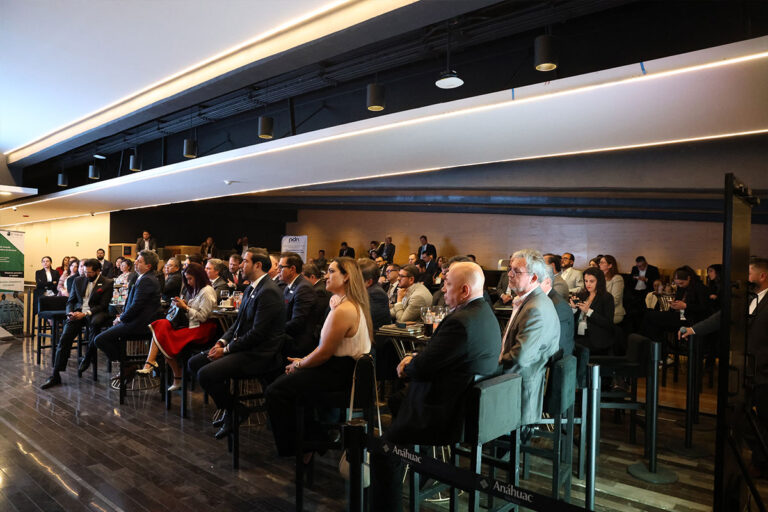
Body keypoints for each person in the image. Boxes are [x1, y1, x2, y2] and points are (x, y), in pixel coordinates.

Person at [370, 262, 500, 510]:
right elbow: (436, 357)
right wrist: (416, 360)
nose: (443, 288)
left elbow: (423, 367)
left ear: (464, 290)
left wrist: (407, 365)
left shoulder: (460, 321)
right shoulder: (483, 312)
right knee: (398, 401)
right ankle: (417, 459)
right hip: (462, 402)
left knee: (382, 452)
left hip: (444, 412)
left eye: (447, 284)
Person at [265, 257, 372, 459]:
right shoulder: (342, 304)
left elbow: (324, 352)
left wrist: (300, 364)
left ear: (346, 276)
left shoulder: (345, 309)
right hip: (337, 367)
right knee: (284, 383)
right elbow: (325, 348)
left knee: (276, 391)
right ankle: (313, 440)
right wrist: (303, 360)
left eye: (332, 271)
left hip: (342, 374)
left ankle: (305, 445)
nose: (326, 275)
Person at [188, 248, 286, 439]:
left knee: (206, 373)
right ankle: (234, 409)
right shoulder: (251, 287)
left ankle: (232, 410)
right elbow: (239, 324)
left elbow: (258, 334)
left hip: (259, 354)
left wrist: (226, 350)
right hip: (243, 347)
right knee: (194, 363)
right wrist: (221, 341)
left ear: (257, 265)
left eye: (245, 261)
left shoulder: (269, 292)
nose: (241, 265)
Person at [499, 249, 560, 427]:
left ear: (534, 278)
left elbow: (520, 358)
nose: (509, 274)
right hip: (517, 377)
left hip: (520, 386)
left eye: (516, 271)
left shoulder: (535, 308)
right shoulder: (530, 301)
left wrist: (491, 363)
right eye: (510, 269)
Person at [138, 262, 218, 390]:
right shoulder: (199, 290)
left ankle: (169, 372)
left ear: (198, 277)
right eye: (187, 279)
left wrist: (185, 307)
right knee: (161, 324)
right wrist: (185, 305)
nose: (189, 282)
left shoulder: (207, 291)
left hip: (203, 329)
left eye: (190, 279)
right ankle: (153, 364)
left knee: (162, 336)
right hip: (194, 325)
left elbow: (202, 317)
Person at [81, 250, 162, 375]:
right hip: (134, 320)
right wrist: (121, 316)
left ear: (148, 266)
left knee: (100, 340)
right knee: (104, 337)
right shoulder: (142, 277)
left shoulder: (148, 280)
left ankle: (127, 364)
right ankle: (127, 364)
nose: (135, 262)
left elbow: (136, 306)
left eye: (139, 261)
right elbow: (132, 303)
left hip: (139, 324)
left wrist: (121, 318)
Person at [40, 259, 114, 389]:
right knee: (64, 339)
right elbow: (71, 301)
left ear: (98, 271)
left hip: (95, 313)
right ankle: (55, 375)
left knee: (95, 324)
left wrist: (86, 314)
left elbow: (103, 305)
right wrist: (70, 313)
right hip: (77, 313)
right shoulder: (78, 280)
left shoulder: (107, 283)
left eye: (90, 272)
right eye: (85, 272)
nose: (86, 275)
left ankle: (89, 355)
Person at [279, 252, 320, 358]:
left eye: (281, 267)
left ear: (292, 269)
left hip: (297, 344)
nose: (278, 270)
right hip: (288, 337)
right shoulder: (290, 285)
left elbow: (297, 323)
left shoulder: (303, 288)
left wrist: (274, 329)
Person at [570, 267, 615, 354]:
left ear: (599, 281)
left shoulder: (606, 297)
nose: (588, 284)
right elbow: (574, 318)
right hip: (579, 335)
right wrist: (573, 308)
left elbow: (608, 323)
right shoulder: (582, 295)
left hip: (597, 338)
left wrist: (589, 312)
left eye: (591, 281)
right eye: (586, 281)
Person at [539, 264, 574, 356]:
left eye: (534, 280)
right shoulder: (541, 300)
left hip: (555, 361)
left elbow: (558, 345)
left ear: (547, 282)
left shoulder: (559, 306)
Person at [358, 258, 391, 330]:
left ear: (368, 282)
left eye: (356, 279)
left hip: (372, 338)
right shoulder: (368, 290)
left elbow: (362, 319)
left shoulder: (376, 294)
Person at [599, 254, 625, 324]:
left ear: (610, 265)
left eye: (602, 262)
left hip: (614, 313)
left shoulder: (617, 278)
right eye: (600, 262)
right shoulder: (600, 278)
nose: (599, 264)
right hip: (600, 310)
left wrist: (598, 305)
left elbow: (615, 300)